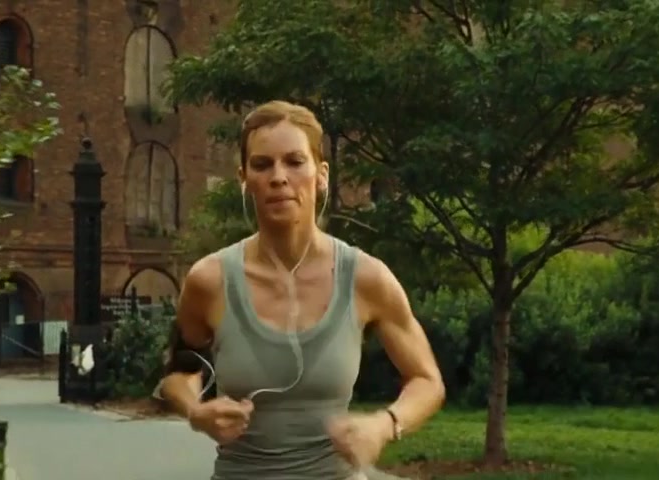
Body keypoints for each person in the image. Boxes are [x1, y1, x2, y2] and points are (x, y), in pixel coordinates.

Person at [157, 100, 446, 480]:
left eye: (294, 162)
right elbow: (179, 373)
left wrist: (384, 424)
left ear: (321, 174)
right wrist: (196, 412)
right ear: (244, 178)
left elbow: (427, 381)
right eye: (262, 165)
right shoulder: (210, 280)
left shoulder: (365, 278)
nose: (279, 177)